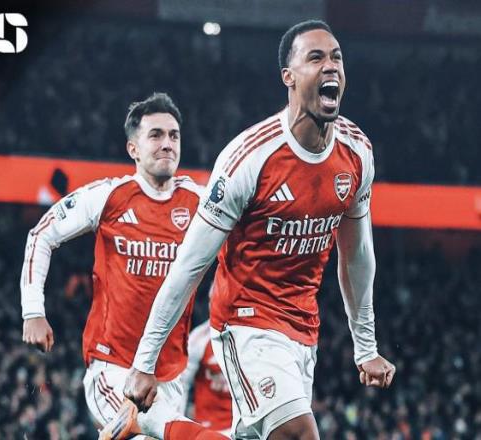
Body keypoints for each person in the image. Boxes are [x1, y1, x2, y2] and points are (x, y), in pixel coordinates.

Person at [124, 20, 396, 440]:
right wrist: (145, 362)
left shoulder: (357, 153)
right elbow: (190, 264)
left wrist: (366, 347)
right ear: (289, 77)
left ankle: (151, 426)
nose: (331, 66)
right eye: (316, 58)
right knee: (299, 434)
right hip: (244, 321)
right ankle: (155, 420)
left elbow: (357, 255)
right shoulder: (249, 158)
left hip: (302, 329)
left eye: (337, 57)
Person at [20, 92, 227, 440]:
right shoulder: (108, 197)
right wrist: (33, 311)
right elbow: (41, 234)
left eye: (174, 136)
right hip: (114, 367)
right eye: (155, 135)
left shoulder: (200, 202)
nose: (167, 144)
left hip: (169, 374)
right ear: (133, 149)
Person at [181, 284, 233, 436]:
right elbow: (182, 384)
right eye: (212, 300)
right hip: (208, 428)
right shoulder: (198, 339)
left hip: (242, 428)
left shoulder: (248, 340)